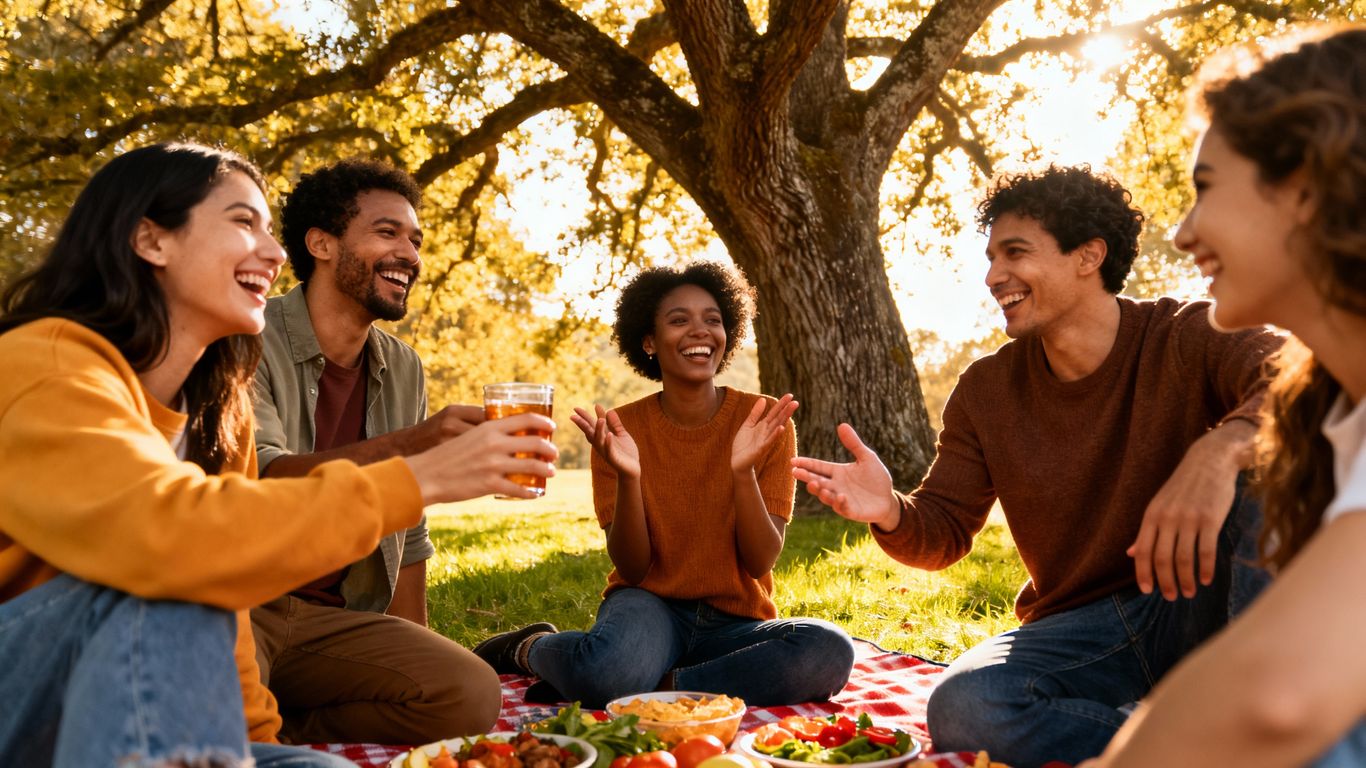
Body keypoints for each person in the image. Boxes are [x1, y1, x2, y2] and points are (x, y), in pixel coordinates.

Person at [0, 142, 557, 767]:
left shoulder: (216, 402)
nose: (272, 252)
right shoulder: (42, 365)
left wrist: (260, 742)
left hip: (191, 666)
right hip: (28, 692)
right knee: (173, 576)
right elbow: (178, 547)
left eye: (270, 230)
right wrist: (415, 473)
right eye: (243, 223)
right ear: (150, 240)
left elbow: (222, 595)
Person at [791, 165, 1282, 767]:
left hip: (1206, 604)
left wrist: (1216, 450)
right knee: (966, 707)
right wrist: (891, 512)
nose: (994, 276)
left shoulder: (1192, 333)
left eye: (1015, 253)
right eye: (992, 257)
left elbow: (1305, 382)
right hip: (1085, 628)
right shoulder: (986, 388)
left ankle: (1264, 712)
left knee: (1270, 460)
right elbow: (942, 532)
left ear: (1088, 255)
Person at [1080, 25, 1366, 768]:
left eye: (1204, 189)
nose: (1181, 232)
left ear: (1305, 187)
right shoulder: (1337, 411)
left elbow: (1278, 699)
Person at [473, 261, 854, 708]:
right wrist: (631, 478)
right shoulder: (620, 430)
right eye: (679, 320)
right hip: (647, 609)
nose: (700, 332)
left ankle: (644, 686)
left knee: (828, 650)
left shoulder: (764, 422)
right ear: (649, 342)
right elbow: (633, 569)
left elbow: (759, 560)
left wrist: (741, 471)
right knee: (614, 665)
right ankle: (530, 647)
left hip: (735, 622)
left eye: (713, 320)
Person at [249, 159, 509, 745]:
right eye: (388, 233)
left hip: (335, 620)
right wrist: (417, 447)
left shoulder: (404, 367)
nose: (411, 255)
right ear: (321, 243)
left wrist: (416, 647)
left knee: (472, 693)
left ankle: (287, 730)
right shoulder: (246, 336)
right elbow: (265, 475)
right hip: (242, 606)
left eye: (415, 240)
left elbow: (407, 529)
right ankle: (253, 726)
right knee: (208, 725)